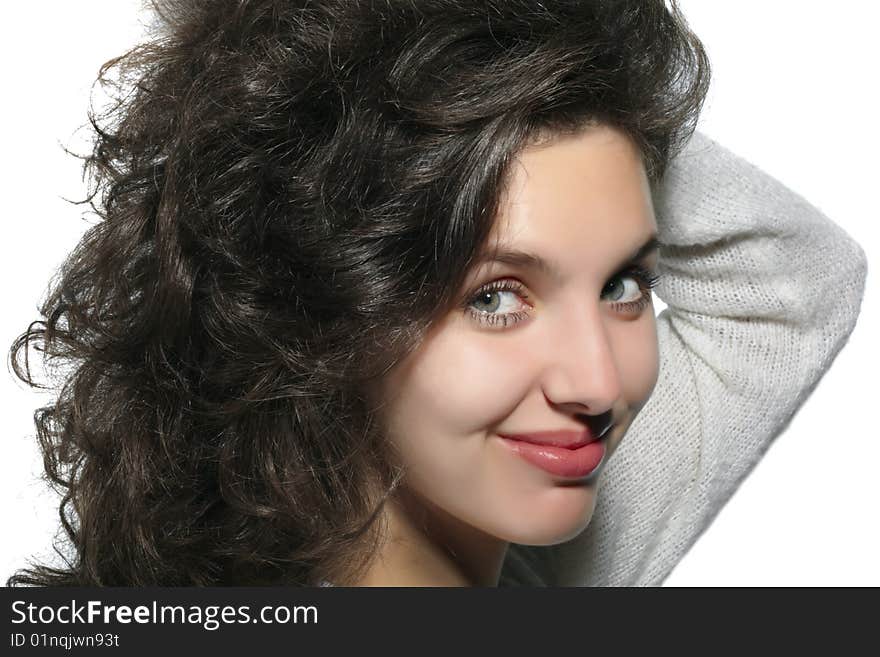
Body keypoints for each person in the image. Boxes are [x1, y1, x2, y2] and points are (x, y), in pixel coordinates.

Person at [6, 0, 867, 587]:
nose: (599, 384)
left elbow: (795, 283)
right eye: (497, 298)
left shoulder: (539, 555)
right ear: (320, 306)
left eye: (624, 284)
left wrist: (538, 58)